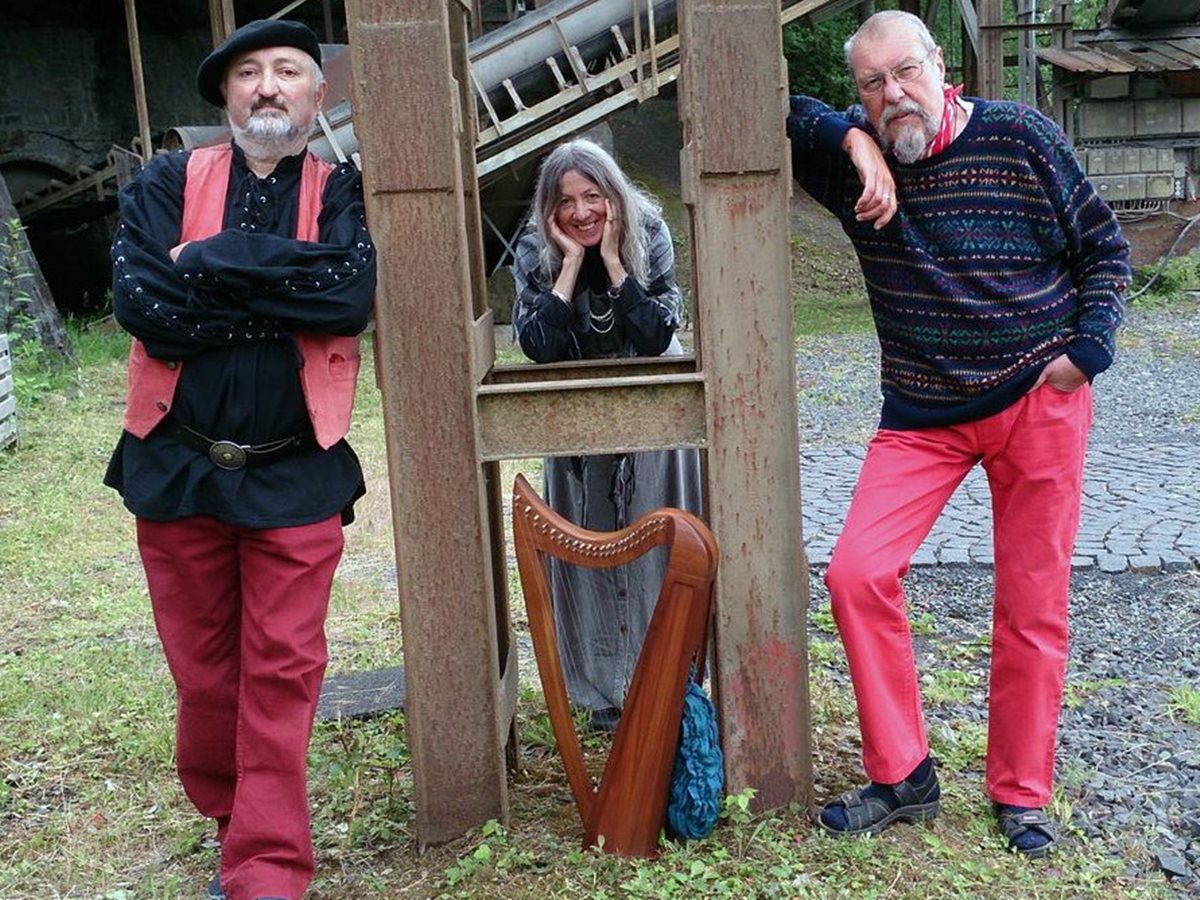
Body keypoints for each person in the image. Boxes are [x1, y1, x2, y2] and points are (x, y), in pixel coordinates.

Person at [786, 10, 1130, 858]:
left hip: (1038, 400)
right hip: (921, 414)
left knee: (1032, 603)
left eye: (905, 73)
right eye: (872, 85)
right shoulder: (851, 166)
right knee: (857, 572)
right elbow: (761, 103)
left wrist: (1086, 353)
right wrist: (853, 142)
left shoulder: (1020, 136)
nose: (893, 94)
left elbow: (1104, 248)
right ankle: (905, 775)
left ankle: (1020, 793)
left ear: (942, 68)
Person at [104, 19, 375, 900]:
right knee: (206, 675)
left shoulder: (343, 192)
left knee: (284, 669)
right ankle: (230, 816)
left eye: (287, 71)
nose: (267, 86)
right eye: (249, 73)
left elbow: (345, 295)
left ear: (315, 95)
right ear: (226, 96)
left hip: (294, 468)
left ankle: (265, 869)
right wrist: (277, 293)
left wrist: (211, 260)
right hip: (176, 465)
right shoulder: (164, 180)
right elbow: (145, 302)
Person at [510, 138, 701, 734]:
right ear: (550, 209)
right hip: (576, 425)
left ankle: (666, 676)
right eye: (566, 201)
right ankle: (599, 695)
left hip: (653, 422)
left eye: (593, 196)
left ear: (614, 197)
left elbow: (654, 334)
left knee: (659, 545)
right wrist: (568, 266)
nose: (582, 212)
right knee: (583, 551)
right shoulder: (534, 251)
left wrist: (616, 263)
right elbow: (538, 347)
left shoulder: (650, 231)